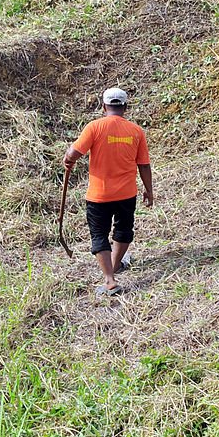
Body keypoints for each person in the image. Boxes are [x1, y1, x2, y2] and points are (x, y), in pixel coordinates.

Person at [63, 87, 154, 297]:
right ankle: (115, 265)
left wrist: (68, 159)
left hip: (99, 195)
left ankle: (110, 280)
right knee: (123, 230)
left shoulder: (94, 127)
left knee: (99, 234)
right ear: (125, 107)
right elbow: (144, 165)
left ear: (104, 107)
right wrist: (149, 190)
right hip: (127, 193)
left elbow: (73, 153)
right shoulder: (136, 131)